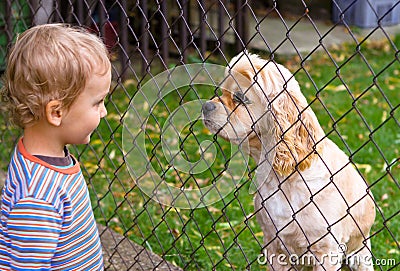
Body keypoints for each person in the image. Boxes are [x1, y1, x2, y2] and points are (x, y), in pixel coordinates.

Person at [0, 23, 111, 270]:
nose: (104, 112)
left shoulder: (43, 157)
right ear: (57, 111)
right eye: (97, 103)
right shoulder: (38, 197)